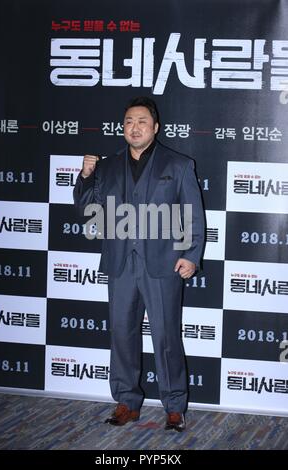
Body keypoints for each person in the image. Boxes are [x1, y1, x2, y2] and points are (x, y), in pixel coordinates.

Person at [73, 96, 205, 432]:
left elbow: (193, 214)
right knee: (122, 336)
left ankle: (174, 407)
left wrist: (191, 255)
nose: (135, 127)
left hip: (162, 265)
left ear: (155, 127)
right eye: (129, 121)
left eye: (142, 121)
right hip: (120, 265)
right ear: (123, 127)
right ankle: (126, 402)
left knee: (166, 338)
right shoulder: (107, 166)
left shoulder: (178, 165)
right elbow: (88, 210)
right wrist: (86, 176)